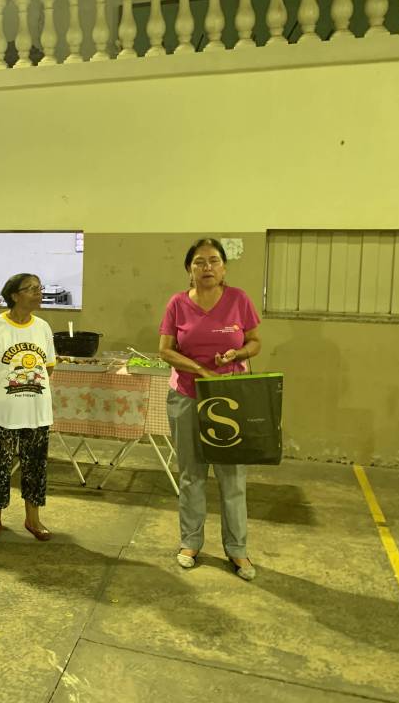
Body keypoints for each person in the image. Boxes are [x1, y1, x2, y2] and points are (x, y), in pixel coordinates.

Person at [158, 237, 262, 581]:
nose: (207, 267)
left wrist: (238, 353)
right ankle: (190, 542)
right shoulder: (177, 304)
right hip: (188, 396)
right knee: (192, 473)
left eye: (214, 261)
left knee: (232, 477)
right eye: (199, 262)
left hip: (230, 399)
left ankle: (237, 549)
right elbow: (165, 350)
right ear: (189, 269)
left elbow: (255, 341)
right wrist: (201, 371)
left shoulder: (239, 300)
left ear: (224, 268)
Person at [0, 274, 56, 543]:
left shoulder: (43, 327)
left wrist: (31, 390)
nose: (38, 293)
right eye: (31, 289)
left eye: (39, 288)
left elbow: (48, 367)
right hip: (2, 412)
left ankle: (33, 519)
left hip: (37, 412)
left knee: (35, 467)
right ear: (15, 296)